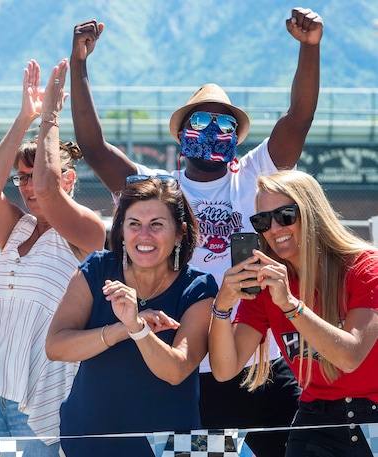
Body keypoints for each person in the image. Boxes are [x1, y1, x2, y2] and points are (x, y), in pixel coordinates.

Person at [69, 7, 323, 455]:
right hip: (186, 366)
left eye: (225, 124)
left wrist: (309, 49)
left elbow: (297, 119)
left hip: (261, 357)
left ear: (238, 137)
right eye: (200, 122)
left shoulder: (255, 175)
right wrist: (79, 64)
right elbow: (93, 147)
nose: (213, 131)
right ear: (181, 133)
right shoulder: (158, 192)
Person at [0, 59, 106, 456]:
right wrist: (24, 117)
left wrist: (50, 117)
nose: (31, 187)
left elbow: (49, 194)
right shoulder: (16, 227)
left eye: (39, 176)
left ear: (68, 179)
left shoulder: (86, 232)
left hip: (43, 401)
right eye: (23, 178)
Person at [45, 175, 218, 456]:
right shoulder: (97, 268)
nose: (144, 235)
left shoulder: (198, 287)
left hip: (172, 449)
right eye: (134, 224)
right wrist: (122, 328)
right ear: (121, 231)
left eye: (157, 225)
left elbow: (176, 371)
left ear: (180, 232)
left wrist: (138, 328)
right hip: (88, 443)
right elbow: (55, 346)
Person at [209, 170, 378, 456]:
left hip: (371, 415)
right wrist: (222, 306)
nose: (274, 228)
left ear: (312, 214)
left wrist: (290, 305)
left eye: (286, 215)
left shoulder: (364, 267)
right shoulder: (267, 283)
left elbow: (349, 357)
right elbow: (226, 369)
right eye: (262, 221)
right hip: (313, 416)